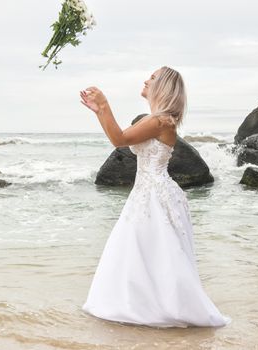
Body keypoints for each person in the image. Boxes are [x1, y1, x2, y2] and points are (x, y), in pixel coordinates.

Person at [79, 66, 231, 328]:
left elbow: (119, 139)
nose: (146, 80)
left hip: (153, 193)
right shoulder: (159, 120)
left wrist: (104, 104)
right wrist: (99, 111)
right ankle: (150, 306)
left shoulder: (159, 121)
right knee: (151, 253)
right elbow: (118, 137)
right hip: (152, 191)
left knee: (156, 254)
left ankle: (160, 309)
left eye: (152, 78)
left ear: (163, 87)